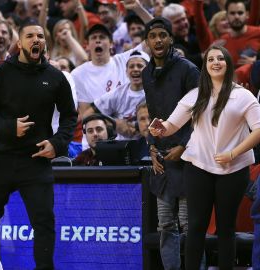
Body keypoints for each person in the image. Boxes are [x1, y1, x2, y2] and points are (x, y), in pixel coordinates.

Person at [0, 22, 77, 269]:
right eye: (30, 36)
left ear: (45, 43)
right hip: (0, 157)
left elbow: (69, 116)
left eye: (41, 36)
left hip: (37, 158)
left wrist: (57, 143)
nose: (36, 40)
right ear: (19, 43)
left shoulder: (56, 77)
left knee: (44, 222)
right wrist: (10, 127)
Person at [149, 45, 260, 270]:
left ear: (228, 64)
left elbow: (258, 130)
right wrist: (159, 129)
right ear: (205, 66)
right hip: (198, 166)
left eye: (220, 58)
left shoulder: (243, 95)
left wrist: (233, 153)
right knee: (196, 226)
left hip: (233, 168)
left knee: (226, 228)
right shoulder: (195, 94)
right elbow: (171, 126)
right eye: (211, 59)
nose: (215, 62)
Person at [142, 17, 200, 270]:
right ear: (147, 42)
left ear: (171, 39)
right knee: (165, 224)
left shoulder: (188, 70)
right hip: (163, 158)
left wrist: (185, 146)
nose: (158, 40)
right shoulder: (146, 73)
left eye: (162, 35)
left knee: (190, 225)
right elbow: (154, 115)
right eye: (153, 36)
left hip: (189, 156)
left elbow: (202, 114)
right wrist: (152, 146)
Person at [86, 50, 149, 140]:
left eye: (139, 66)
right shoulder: (118, 93)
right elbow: (88, 114)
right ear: (126, 72)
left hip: (152, 144)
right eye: (131, 66)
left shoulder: (157, 92)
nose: (135, 69)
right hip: (123, 146)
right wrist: (114, 124)